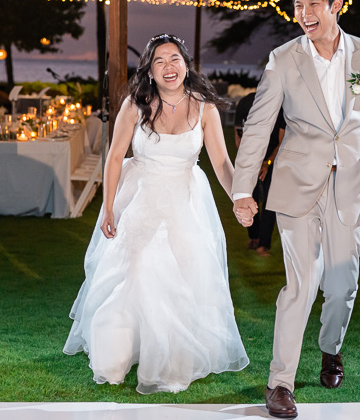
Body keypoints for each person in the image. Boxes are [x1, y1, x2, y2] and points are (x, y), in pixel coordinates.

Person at [231, 0, 360, 420]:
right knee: (300, 285)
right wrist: (244, 190)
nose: (304, 14)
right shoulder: (283, 59)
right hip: (297, 186)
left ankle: (330, 348)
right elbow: (259, 126)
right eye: (298, 7)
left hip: (350, 187)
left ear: (336, 4)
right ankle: (279, 382)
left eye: (313, 4)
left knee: (342, 287)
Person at [64, 34, 249, 393]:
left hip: (186, 200)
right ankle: (117, 354)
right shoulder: (135, 105)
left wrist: (239, 198)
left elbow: (223, 164)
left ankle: (172, 360)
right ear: (149, 69)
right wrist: (108, 207)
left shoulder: (205, 108)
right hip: (141, 197)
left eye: (175, 59)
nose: (169, 67)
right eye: (160, 60)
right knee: (136, 271)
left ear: (186, 65)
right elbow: (115, 155)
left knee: (181, 277)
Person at [234, 91, 284, 257]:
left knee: (270, 203)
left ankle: (264, 244)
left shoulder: (280, 104)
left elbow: (283, 140)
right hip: (251, 161)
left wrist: (267, 162)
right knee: (249, 197)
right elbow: (238, 136)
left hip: (274, 161)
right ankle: (253, 237)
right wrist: (249, 163)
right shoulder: (245, 103)